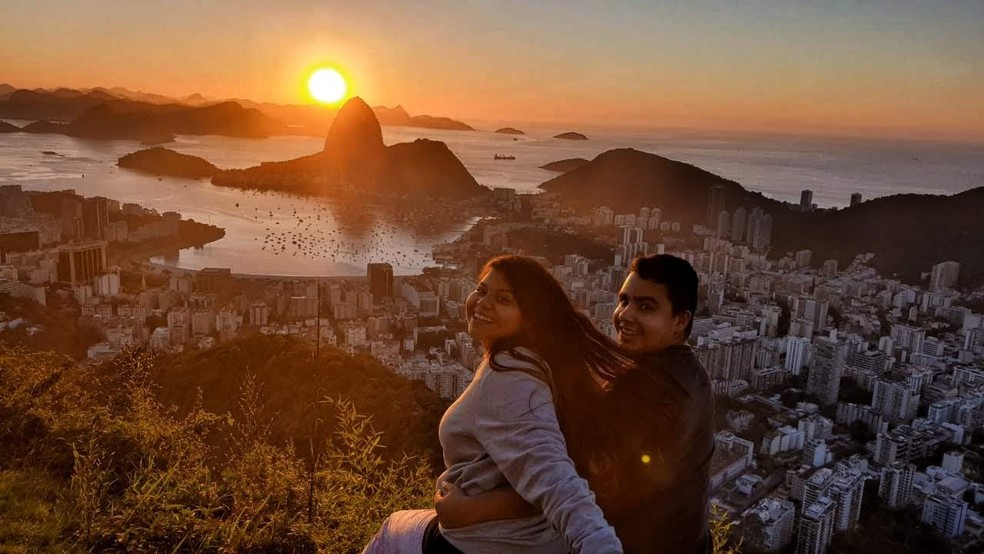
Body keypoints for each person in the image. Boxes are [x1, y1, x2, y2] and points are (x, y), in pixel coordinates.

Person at [436, 254, 714, 553]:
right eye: (624, 301)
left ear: (680, 321)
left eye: (646, 307)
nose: (625, 315)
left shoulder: (652, 390)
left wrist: (471, 510)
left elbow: (577, 481)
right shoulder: (691, 373)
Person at [362, 255, 630, 554]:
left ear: (530, 317)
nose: (483, 302)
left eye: (503, 299)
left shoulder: (510, 376)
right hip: (520, 536)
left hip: (487, 543)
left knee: (391, 533)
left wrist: (600, 547)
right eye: (481, 290)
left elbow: (554, 477)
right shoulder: (539, 361)